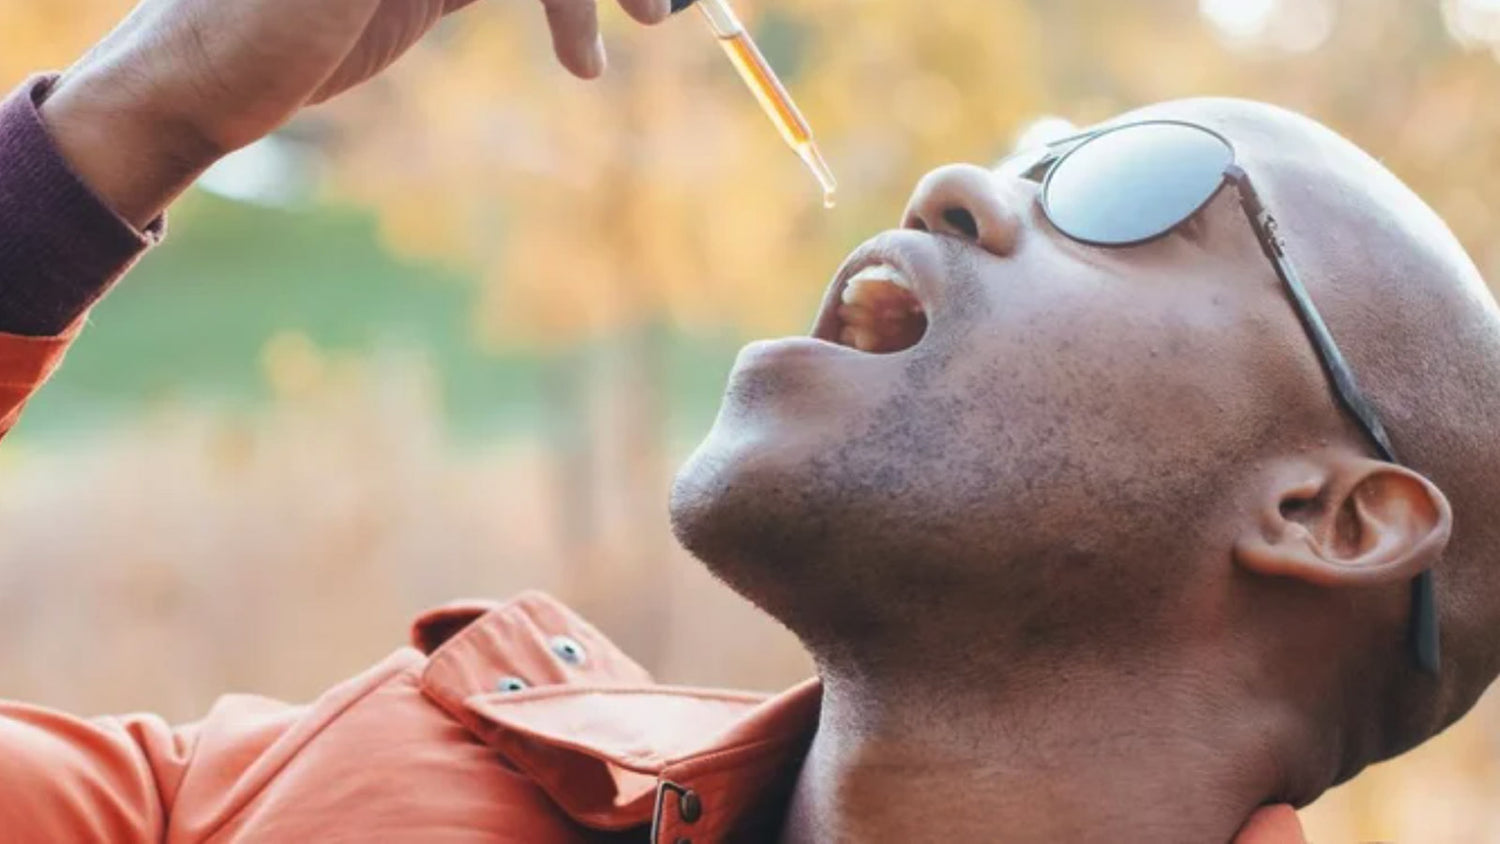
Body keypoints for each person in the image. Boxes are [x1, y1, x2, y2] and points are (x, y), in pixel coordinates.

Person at [1, 0, 1495, 841]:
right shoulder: (298, 793)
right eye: (1029, 156)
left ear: (1328, 514)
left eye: (1131, 190)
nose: (962, 187)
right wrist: (131, 123)